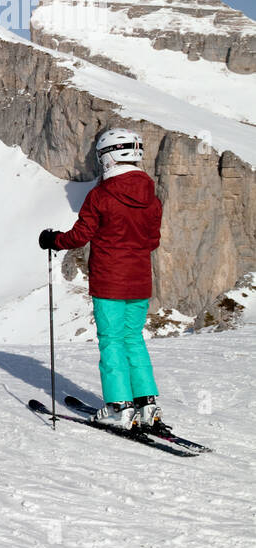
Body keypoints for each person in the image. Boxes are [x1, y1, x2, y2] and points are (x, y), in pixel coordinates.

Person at [39, 128, 164, 429]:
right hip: (139, 282)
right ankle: (147, 404)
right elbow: (153, 241)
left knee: (111, 343)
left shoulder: (102, 195)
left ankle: (120, 406)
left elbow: (80, 236)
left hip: (110, 281)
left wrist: (53, 239)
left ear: (108, 157)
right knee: (133, 339)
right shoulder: (151, 197)